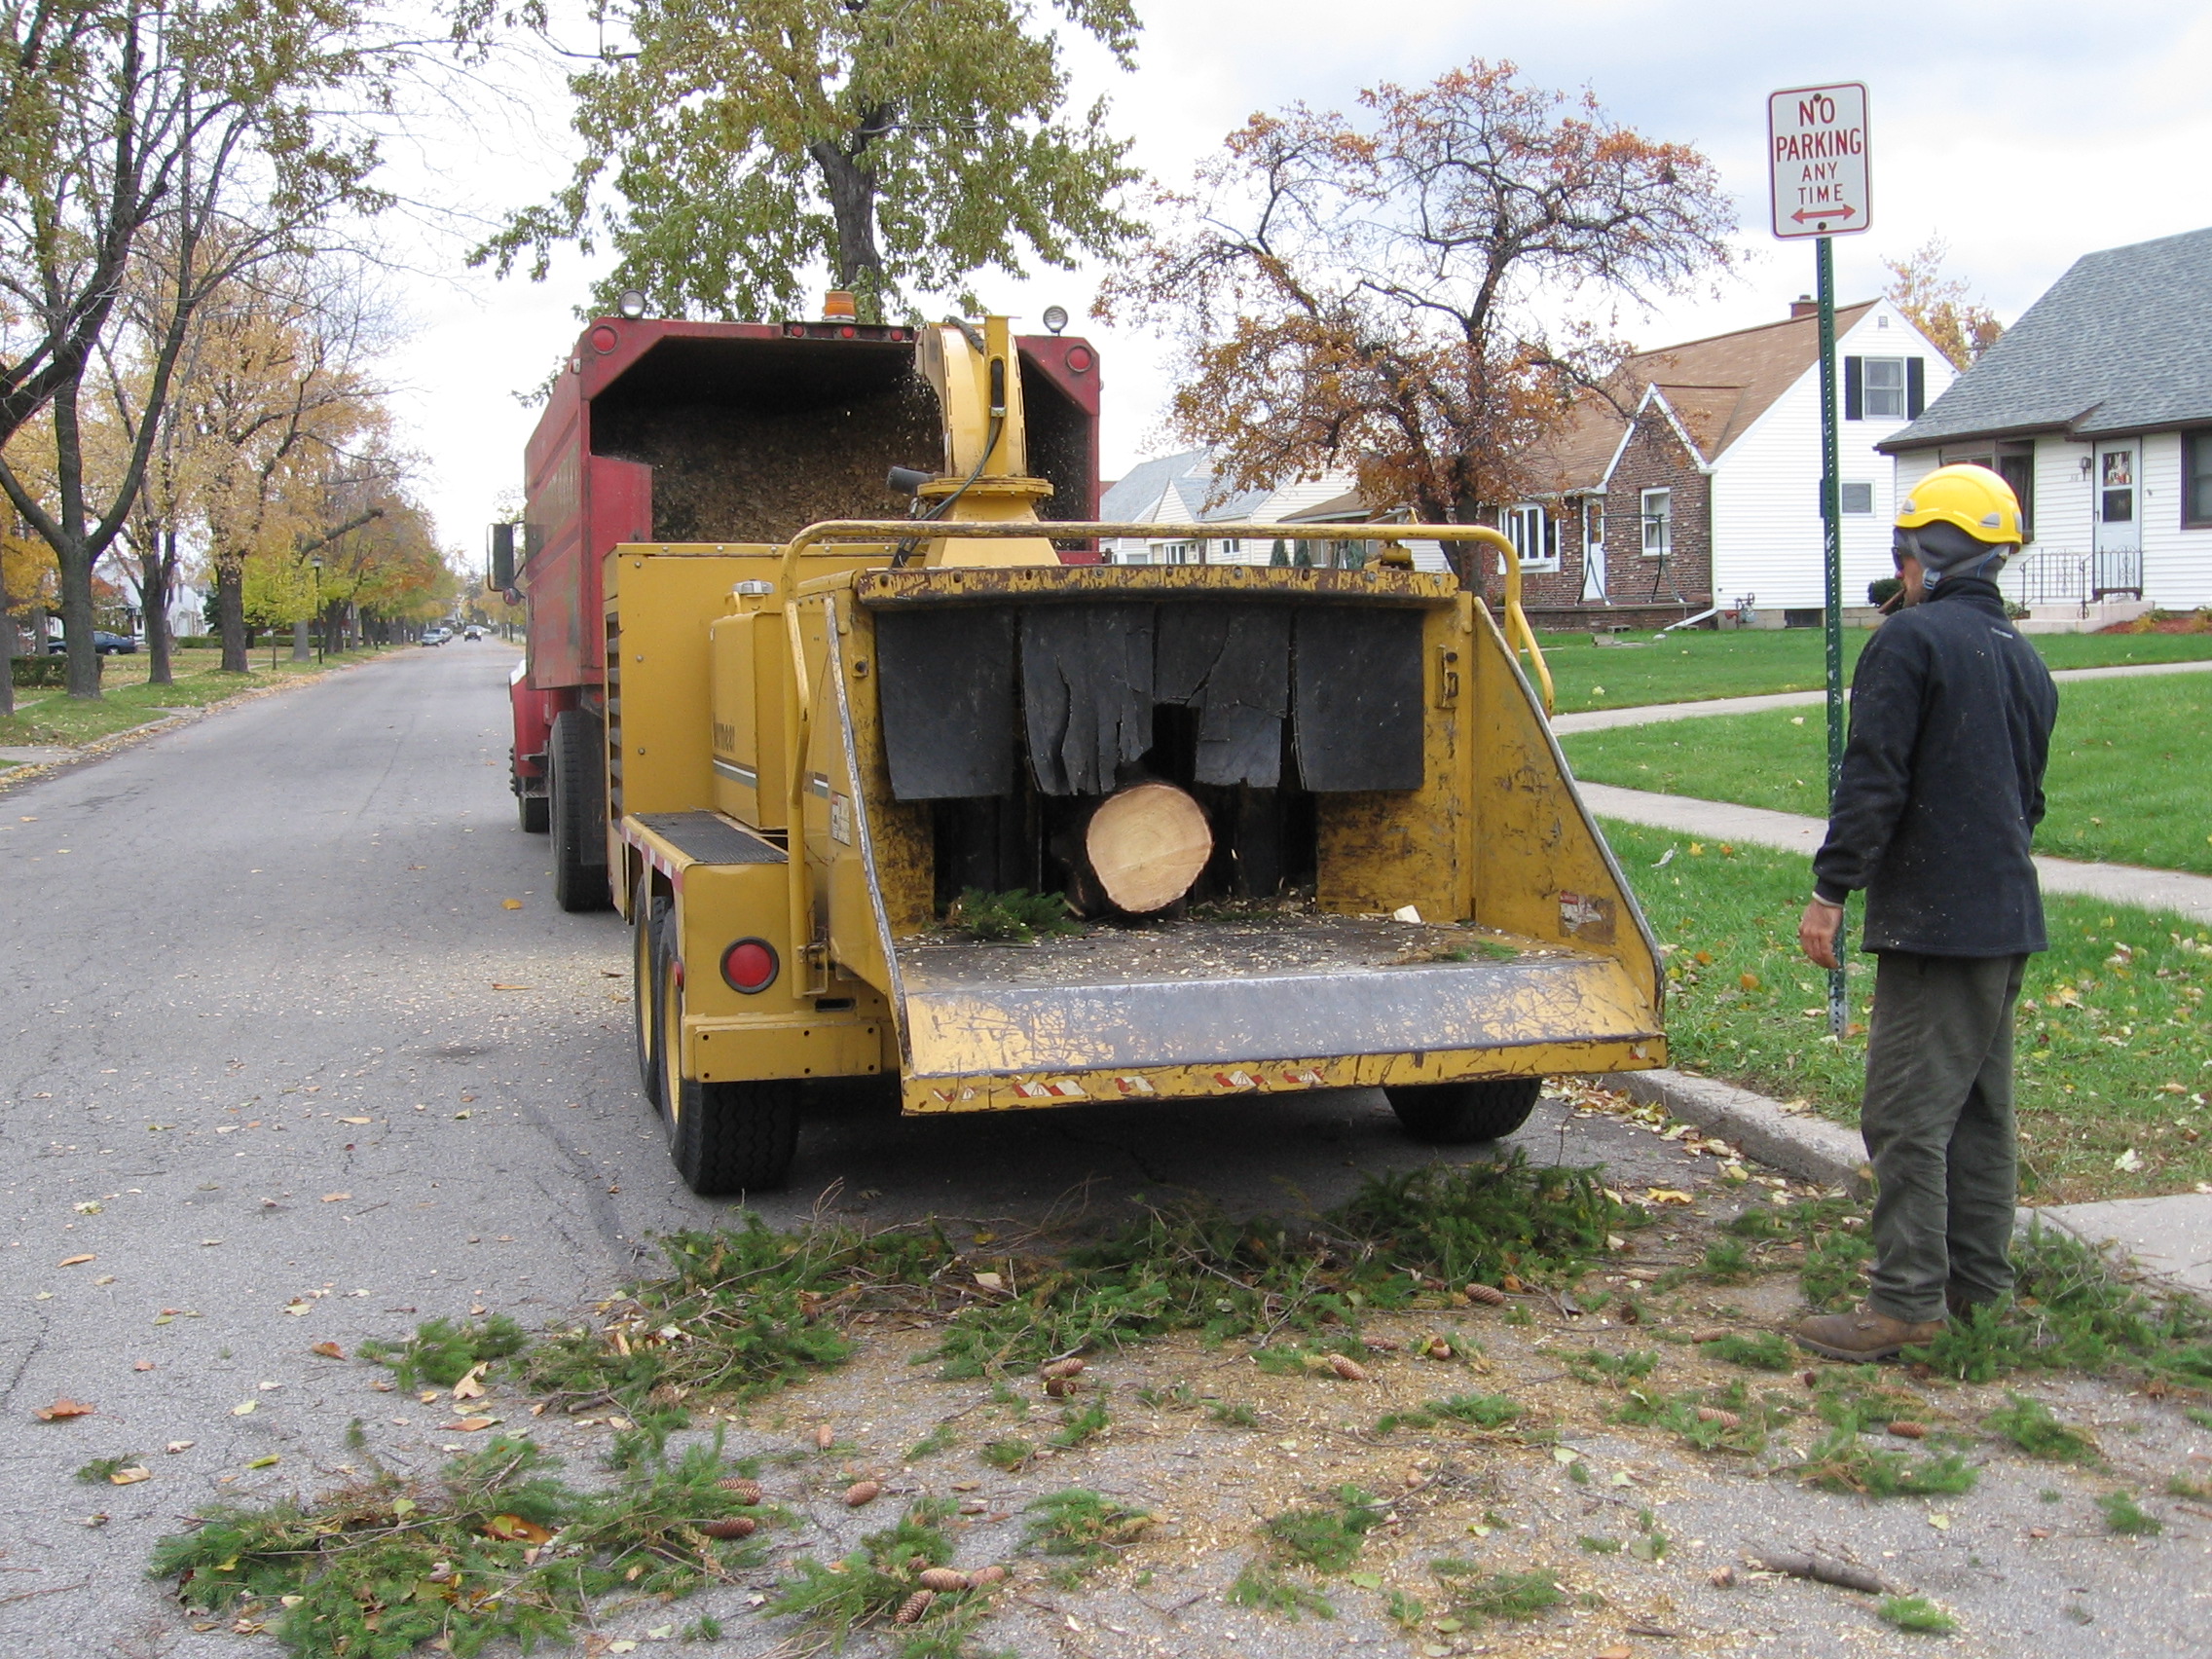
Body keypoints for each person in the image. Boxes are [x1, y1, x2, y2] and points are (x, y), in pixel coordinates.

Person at [1793, 463, 2058, 1362]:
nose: (1899, 569)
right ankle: (1982, 1294)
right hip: (2007, 921)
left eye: (1905, 550)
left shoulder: (1909, 646)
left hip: (1939, 929)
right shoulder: (2024, 660)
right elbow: (2029, 804)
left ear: (1932, 553)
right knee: (1980, 1118)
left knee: (1905, 1115)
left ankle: (1905, 1301)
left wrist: (1832, 889)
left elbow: (1873, 782)